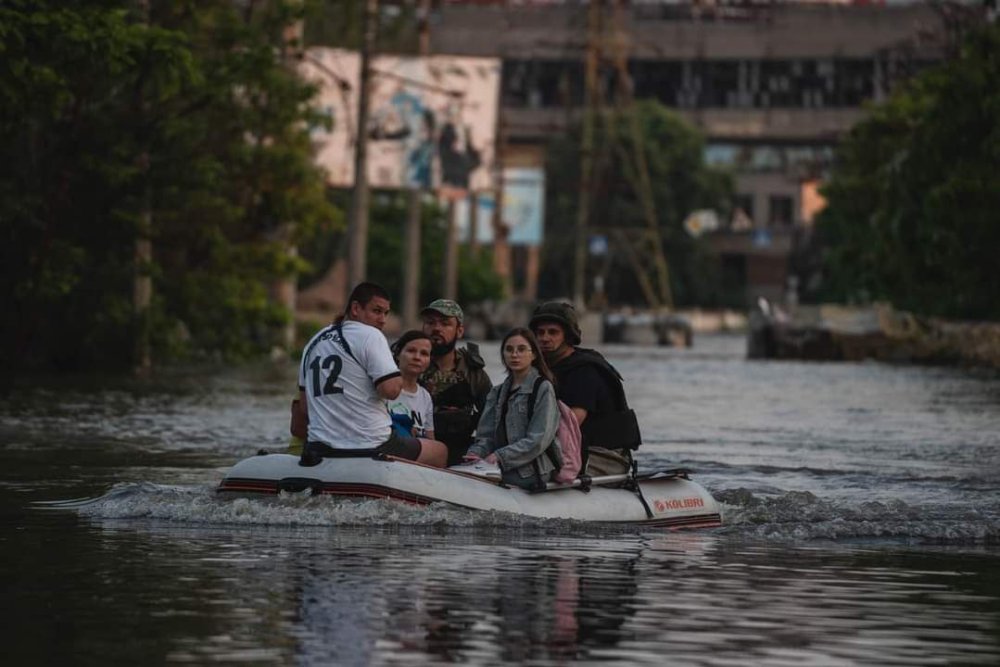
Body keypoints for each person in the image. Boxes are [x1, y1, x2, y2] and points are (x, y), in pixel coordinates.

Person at [297, 282, 447, 467]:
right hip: (372, 444)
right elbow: (390, 390)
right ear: (355, 309)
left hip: (318, 447)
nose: (383, 319)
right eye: (377, 311)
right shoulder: (370, 335)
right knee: (439, 451)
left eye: (386, 313)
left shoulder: (313, 342)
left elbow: (305, 407)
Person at [530, 301, 641, 477]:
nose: (544, 338)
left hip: (604, 456)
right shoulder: (538, 370)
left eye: (553, 332)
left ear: (567, 336)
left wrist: (525, 448)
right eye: (540, 332)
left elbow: (571, 423)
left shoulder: (584, 371)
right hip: (562, 448)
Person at [464, 328, 560, 490]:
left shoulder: (543, 388)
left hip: (531, 470)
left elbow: (538, 440)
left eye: (521, 349)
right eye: (509, 350)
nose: (514, 355)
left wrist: (499, 457)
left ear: (534, 355)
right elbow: (486, 436)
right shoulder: (497, 392)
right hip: (499, 465)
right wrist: (476, 454)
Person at [419, 299, 493, 465]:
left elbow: (491, 417)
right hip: (418, 449)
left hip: (461, 451)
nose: (437, 328)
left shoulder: (473, 373)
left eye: (445, 324)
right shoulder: (411, 364)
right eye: (430, 323)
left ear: (459, 331)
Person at [386, 330, 437, 440]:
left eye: (424, 353)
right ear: (398, 354)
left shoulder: (425, 397)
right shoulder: (384, 389)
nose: (417, 357)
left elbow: (430, 439)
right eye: (411, 351)